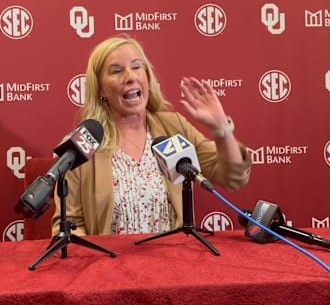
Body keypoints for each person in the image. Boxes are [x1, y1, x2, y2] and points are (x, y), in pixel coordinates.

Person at [51, 35, 251, 237]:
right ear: (101, 88)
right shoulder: (83, 144)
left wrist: (221, 129)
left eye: (137, 67)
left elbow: (232, 178)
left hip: (173, 261)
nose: (130, 77)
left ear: (147, 77)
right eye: (117, 71)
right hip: (110, 264)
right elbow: (69, 226)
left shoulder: (173, 127)